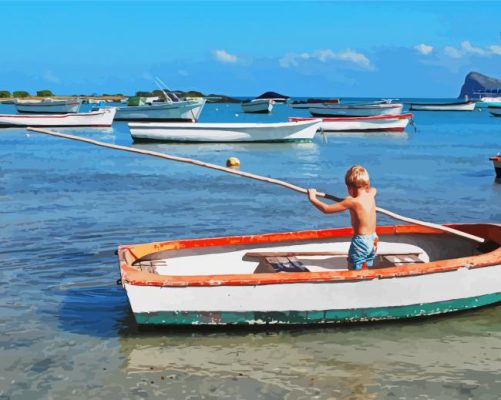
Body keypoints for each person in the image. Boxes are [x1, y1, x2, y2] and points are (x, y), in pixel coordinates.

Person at [307, 165, 378, 270]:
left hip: (361, 242)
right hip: (373, 239)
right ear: (366, 184)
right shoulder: (370, 195)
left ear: (350, 188)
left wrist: (312, 198)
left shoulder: (351, 202)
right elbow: (373, 189)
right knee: (366, 264)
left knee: (354, 268)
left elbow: (326, 209)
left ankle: (357, 283)